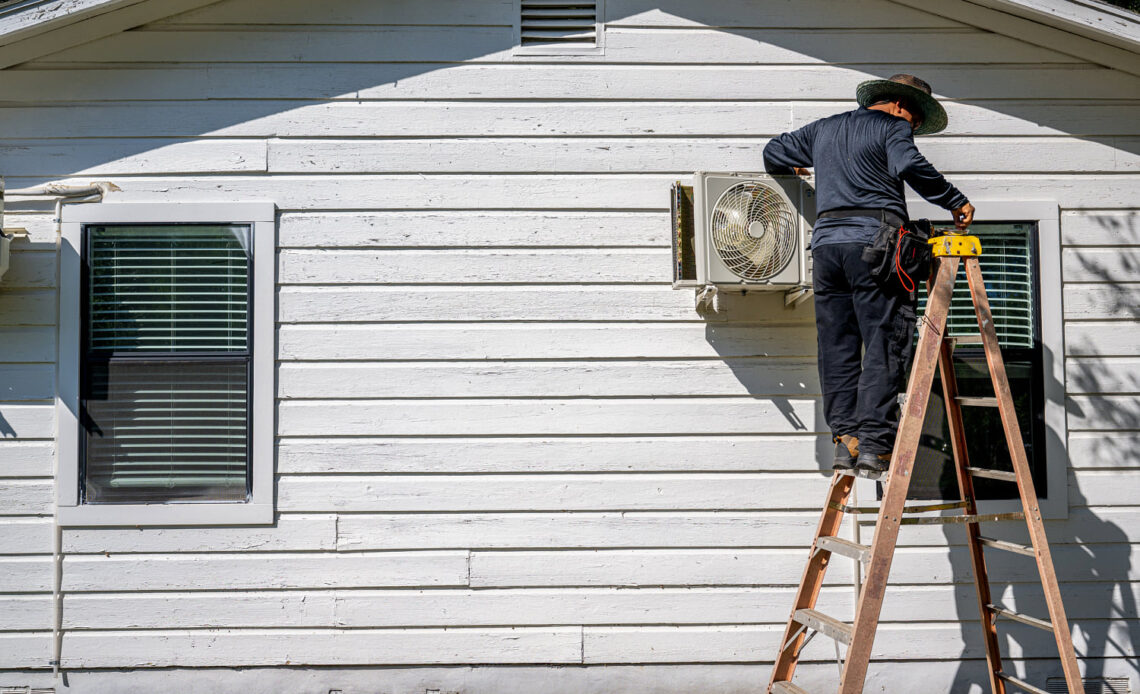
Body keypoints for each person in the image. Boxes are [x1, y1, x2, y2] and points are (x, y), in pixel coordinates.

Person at [762, 73, 975, 473]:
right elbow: (908, 162)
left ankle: (848, 441)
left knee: (837, 347)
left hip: (826, 248)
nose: (912, 128)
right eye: (914, 119)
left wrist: (796, 169)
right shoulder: (893, 126)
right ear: (899, 104)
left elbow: (773, 151)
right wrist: (954, 199)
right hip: (875, 247)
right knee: (882, 342)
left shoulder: (824, 129)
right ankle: (876, 446)